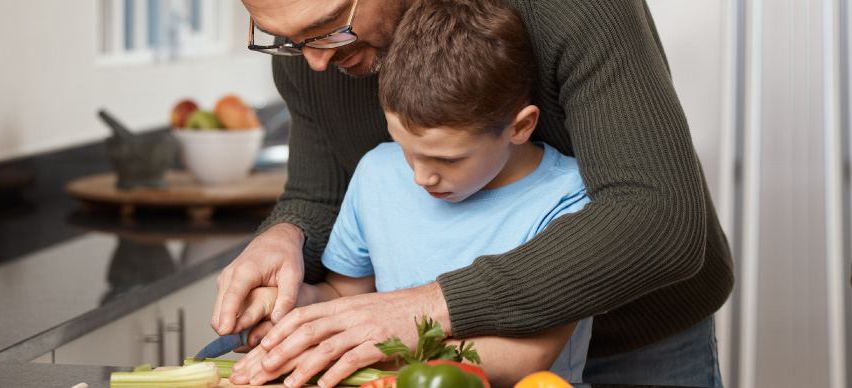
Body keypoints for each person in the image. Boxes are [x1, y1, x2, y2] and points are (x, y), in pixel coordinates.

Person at [213, 0, 734, 387]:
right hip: (418, 359)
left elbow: (657, 214)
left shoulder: (571, 8)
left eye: (325, 27)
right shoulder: (313, 53)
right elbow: (321, 190)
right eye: (281, 37)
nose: (314, 62)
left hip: (640, 334)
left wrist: (420, 311)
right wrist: (284, 236)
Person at [229, 1, 592, 385]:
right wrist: (286, 307)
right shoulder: (377, 172)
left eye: (448, 160)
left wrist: (383, 355)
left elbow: (525, 356)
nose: (420, 177)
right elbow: (342, 296)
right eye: (405, 149)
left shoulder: (568, 198)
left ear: (521, 127)